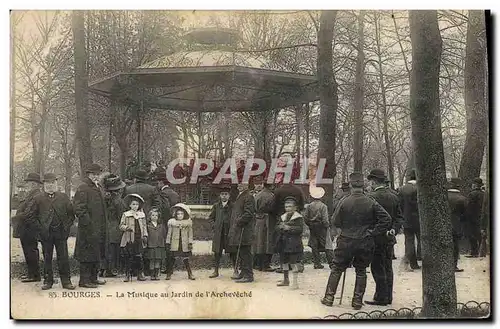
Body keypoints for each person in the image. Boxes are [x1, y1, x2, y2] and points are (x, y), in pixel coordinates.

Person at [321, 172, 391, 310]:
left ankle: (329, 298)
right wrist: (372, 231)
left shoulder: (344, 201)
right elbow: (386, 219)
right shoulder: (371, 201)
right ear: (363, 185)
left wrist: (346, 227)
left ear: (351, 185)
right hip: (365, 241)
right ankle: (357, 301)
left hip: (346, 240)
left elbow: (335, 221)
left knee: (337, 268)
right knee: (361, 270)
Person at [28, 173, 75, 290]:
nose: (50, 185)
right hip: (46, 234)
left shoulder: (63, 197)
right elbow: (30, 216)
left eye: (53, 183)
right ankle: (48, 281)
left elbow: (71, 214)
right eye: (47, 183)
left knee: (63, 257)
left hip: (60, 233)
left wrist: (66, 226)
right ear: (43, 184)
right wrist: (40, 228)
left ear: (56, 184)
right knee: (47, 257)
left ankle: (66, 281)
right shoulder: (38, 198)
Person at [365, 169, 403, 306]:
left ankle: (381, 297)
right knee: (388, 267)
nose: (370, 184)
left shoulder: (371, 197)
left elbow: (369, 218)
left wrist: (372, 232)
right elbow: (399, 217)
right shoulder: (394, 196)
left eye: (370, 182)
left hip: (376, 238)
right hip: (390, 238)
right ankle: (388, 296)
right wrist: (393, 229)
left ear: (374, 182)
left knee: (377, 267)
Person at [73, 164, 108, 288]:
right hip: (88, 228)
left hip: (98, 227)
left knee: (96, 252)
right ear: (89, 174)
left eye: (98, 174)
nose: (96, 176)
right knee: (86, 254)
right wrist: (88, 224)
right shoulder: (83, 187)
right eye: (94, 174)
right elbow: (79, 208)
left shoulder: (97, 187)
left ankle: (93, 278)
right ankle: (84, 280)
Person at [12, 173, 43, 282]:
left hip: (31, 228)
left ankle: (35, 276)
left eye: (30, 183)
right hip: (26, 228)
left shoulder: (36, 195)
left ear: (35, 184)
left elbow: (29, 213)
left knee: (31, 251)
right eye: (28, 183)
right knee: (28, 251)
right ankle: (31, 274)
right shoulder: (31, 195)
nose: (28, 185)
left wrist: (14, 218)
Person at [273, 183, 306, 273]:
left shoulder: (278, 190)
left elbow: (274, 206)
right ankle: (295, 265)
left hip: (283, 217)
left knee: (286, 245)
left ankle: (288, 266)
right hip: (290, 217)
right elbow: (302, 204)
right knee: (293, 245)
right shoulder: (298, 190)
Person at [227, 182, 256, 283]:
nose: (239, 185)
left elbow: (249, 214)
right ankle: (243, 273)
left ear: (247, 185)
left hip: (245, 229)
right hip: (239, 229)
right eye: (238, 184)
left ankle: (248, 275)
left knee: (245, 252)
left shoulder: (248, 197)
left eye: (242, 184)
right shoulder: (241, 195)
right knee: (242, 252)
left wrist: (239, 221)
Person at [276, 196, 304, 290]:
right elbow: (278, 227)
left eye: (290, 206)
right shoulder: (283, 217)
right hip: (284, 243)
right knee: (284, 261)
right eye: (286, 207)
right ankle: (286, 280)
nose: (288, 208)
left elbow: (300, 229)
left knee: (293, 262)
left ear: (295, 208)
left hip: (294, 244)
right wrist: (280, 227)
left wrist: (289, 228)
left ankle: (295, 283)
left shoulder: (298, 218)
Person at [303, 186, 334, 269]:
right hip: (322, 227)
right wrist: (327, 226)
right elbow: (325, 219)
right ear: (321, 196)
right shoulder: (323, 206)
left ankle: (317, 263)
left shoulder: (309, 206)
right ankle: (331, 263)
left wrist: (309, 224)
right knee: (327, 244)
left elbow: (305, 217)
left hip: (313, 227)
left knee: (314, 245)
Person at [102, 174, 126, 277]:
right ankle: (111, 270)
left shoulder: (104, 199)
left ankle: (103, 269)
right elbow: (121, 215)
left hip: (105, 225)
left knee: (106, 249)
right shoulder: (118, 201)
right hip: (115, 226)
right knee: (114, 249)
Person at [120, 193, 148, 282]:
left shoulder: (141, 215)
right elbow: (121, 225)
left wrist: (145, 235)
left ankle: (140, 274)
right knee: (129, 257)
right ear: (130, 205)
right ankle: (127, 274)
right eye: (133, 204)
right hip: (129, 238)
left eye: (136, 204)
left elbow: (144, 226)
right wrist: (126, 228)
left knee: (139, 256)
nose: (135, 206)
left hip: (139, 238)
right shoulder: (126, 214)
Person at [208, 181, 233, 278]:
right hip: (218, 233)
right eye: (222, 194)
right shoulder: (216, 206)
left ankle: (235, 269)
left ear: (229, 195)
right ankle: (216, 270)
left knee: (232, 252)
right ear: (219, 195)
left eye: (226, 194)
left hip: (229, 233)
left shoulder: (232, 206)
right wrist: (214, 226)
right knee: (217, 253)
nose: (224, 196)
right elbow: (210, 218)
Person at [252, 175, 277, 272]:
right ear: (271, 186)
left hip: (258, 219)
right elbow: (273, 209)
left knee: (258, 242)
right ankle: (266, 265)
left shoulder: (258, 195)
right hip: (268, 220)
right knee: (268, 242)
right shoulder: (271, 196)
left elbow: (254, 208)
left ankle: (257, 264)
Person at [398, 169, 421, 271]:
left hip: (407, 219)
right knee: (422, 241)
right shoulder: (421, 188)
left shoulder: (402, 189)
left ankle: (411, 263)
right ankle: (422, 260)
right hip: (420, 220)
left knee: (409, 241)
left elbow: (400, 205)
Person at [165, 203, 195, 280]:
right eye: (178, 214)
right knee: (172, 259)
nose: (180, 215)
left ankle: (190, 273)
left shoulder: (187, 223)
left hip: (184, 244)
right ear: (175, 215)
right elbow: (169, 234)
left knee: (186, 259)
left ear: (184, 214)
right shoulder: (172, 223)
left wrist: (190, 242)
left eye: (182, 214)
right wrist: (168, 242)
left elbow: (190, 234)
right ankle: (169, 273)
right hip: (175, 244)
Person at [447, 178, 467, 272]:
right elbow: (465, 214)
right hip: (456, 225)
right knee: (455, 246)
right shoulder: (462, 199)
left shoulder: (443, 196)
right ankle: (454, 265)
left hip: (443, 225)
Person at [465, 178, 485, 258]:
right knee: (480, 234)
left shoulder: (471, 194)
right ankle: (482, 251)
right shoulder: (484, 194)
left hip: (473, 217)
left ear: (474, 185)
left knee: (472, 235)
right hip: (482, 217)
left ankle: (474, 252)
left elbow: (469, 207)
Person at [146, 208, 167, 280]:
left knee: (158, 260)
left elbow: (164, 234)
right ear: (150, 216)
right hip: (151, 245)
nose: (154, 217)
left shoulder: (161, 226)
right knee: (152, 260)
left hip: (159, 245)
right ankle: (152, 275)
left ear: (158, 217)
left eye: (156, 215)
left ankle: (156, 274)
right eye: (153, 215)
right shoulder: (148, 226)